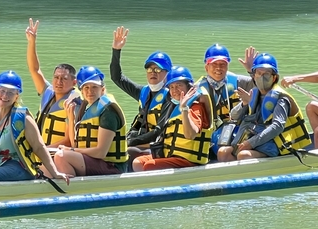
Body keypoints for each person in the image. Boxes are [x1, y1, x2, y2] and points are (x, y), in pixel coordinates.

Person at [218, 54, 312, 160]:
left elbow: (277, 126)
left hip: (272, 143)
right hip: (249, 138)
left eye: (266, 74)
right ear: (254, 76)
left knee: (244, 155)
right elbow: (234, 116)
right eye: (259, 73)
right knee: (223, 152)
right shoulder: (253, 94)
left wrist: (251, 143)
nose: (262, 77)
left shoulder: (281, 98)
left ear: (274, 77)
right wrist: (244, 103)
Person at [106, 25, 172, 158]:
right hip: (141, 140)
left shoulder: (171, 96)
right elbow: (117, 77)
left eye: (158, 69)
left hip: (159, 143)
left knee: (127, 151)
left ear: (168, 73)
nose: (153, 73)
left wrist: (129, 142)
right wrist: (116, 50)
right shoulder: (143, 92)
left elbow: (158, 131)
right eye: (149, 69)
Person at [133, 66, 213, 171]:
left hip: (188, 161)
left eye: (179, 86)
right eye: (171, 87)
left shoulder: (196, 107)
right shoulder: (172, 107)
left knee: (150, 165)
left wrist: (184, 109)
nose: (175, 90)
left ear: (189, 87)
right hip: (170, 155)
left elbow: (190, 134)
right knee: (138, 162)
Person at [52, 66, 129, 176]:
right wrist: (71, 117)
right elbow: (76, 144)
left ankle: (72, 190)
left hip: (112, 166)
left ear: (102, 89)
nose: (90, 91)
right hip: (93, 161)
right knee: (47, 163)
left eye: (94, 87)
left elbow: (101, 152)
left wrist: (71, 150)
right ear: (82, 91)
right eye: (86, 88)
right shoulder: (86, 109)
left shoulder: (108, 112)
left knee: (61, 156)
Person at [24, 18, 80, 146]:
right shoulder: (48, 92)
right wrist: (32, 42)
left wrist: (42, 151)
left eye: (64, 79)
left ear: (74, 82)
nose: (58, 82)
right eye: (56, 77)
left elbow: (68, 141)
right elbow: (34, 69)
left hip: (56, 153)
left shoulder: (74, 103)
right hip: (41, 149)